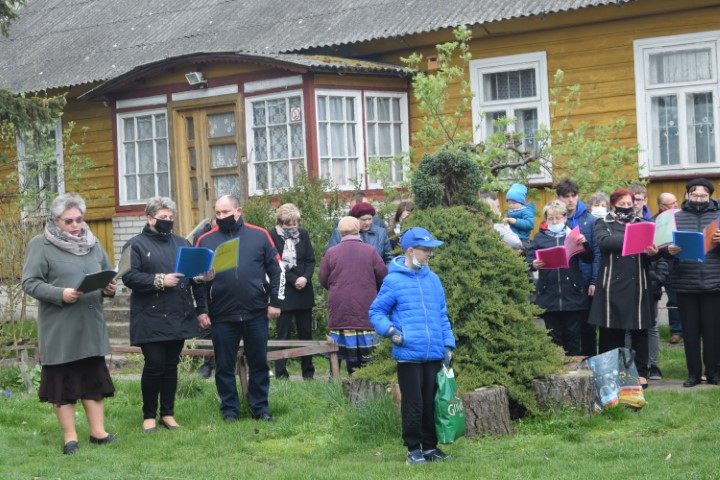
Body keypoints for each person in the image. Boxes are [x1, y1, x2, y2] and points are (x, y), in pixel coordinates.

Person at [21, 193, 118, 455]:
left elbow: (107, 274)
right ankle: (70, 437)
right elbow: (29, 282)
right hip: (60, 327)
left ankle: (99, 433)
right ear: (55, 221)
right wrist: (59, 294)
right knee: (62, 384)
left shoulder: (93, 243)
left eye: (79, 219)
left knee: (93, 380)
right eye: (69, 221)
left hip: (90, 324)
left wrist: (109, 288)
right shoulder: (41, 244)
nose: (76, 225)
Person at [121, 197, 211, 433]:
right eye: (163, 217)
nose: (168, 221)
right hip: (149, 315)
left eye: (171, 217)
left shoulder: (182, 243)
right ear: (150, 218)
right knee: (154, 364)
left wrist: (201, 282)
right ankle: (149, 415)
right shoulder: (135, 244)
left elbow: (192, 279)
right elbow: (129, 277)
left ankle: (168, 414)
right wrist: (160, 280)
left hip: (178, 312)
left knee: (171, 366)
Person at [369, 227, 456, 465]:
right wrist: (391, 331)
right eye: (425, 250)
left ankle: (430, 447)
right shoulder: (393, 280)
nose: (429, 254)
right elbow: (376, 312)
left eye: (430, 250)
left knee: (431, 403)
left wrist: (448, 344)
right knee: (413, 404)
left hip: (434, 353)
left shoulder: (433, 280)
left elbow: (442, 314)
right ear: (410, 250)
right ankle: (413, 450)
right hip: (408, 354)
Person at [194, 194, 284, 421]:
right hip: (221, 314)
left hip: (256, 311)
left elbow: (277, 270)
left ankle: (260, 408)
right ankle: (230, 411)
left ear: (238, 211)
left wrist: (275, 302)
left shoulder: (259, 235)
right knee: (224, 366)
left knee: (259, 363)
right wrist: (201, 310)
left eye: (225, 212)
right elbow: (195, 280)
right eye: (217, 213)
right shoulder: (204, 240)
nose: (221, 216)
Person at [588, 188, 658, 386]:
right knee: (612, 331)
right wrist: (633, 236)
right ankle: (612, 373)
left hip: (638, 284)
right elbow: (604, 242)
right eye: (622, 204)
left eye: (629, 204)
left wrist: (653, 252)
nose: (626, 207)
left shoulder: (642, 223)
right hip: (612, 285)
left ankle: (640, 372)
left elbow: (653, 252)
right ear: (613, 205)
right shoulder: (603, 223)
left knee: (639, 329)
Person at [667, 179, 720, 387]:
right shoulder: (676, 217)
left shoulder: (718, 216)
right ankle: (693, 374)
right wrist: (669, 250)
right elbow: (662, 249)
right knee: (690, 333)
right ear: (687, 195)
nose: (699, 199)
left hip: (713, 282)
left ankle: (713, 373)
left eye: (703, 196)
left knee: (713, 332)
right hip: (685, 282)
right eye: (695, 195)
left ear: (710, 196)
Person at [319, 217, 387, 374]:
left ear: (340, 232)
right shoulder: (370, 251)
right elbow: (383, 275)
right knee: (368, 356)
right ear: (358, 229)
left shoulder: (331, 252)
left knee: (338, 351)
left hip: (340, 307)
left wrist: (336, 288)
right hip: (365, 306)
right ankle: (367, 378)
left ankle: (334, 381)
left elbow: (322, 278)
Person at [527, 200, 594, 356]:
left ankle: (574, 367)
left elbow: (588, 259)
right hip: (549, 294)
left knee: (573, 336)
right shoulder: (539, 237)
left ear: (565, 217)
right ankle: (556, 367)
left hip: (572, 294)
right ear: (546, 219)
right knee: (553, 338)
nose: (555, 221)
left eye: (558, 218)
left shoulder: (573, 235)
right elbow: (529, 260)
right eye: (551, 219)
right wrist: (533, 264)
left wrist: (585, 244)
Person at [269, 203, 316, 380]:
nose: (293, 227)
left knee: (306, 334)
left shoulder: (303, 234)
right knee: (283, 334)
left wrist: (305, 278)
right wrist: (293, 279)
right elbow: (274, 264)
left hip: (304, 290)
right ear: (280, 222)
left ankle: (308, 373)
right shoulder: (272, 235)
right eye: (289, 224)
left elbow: (310, 260)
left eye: (295, 223)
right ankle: (281, 373)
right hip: (283, 290)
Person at [555, 179, 601, 357]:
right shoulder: (554, 220)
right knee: (568, 330)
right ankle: (569, 365)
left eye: (573, 196)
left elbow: (597, 253)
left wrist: (594, 281)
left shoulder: (590, 220)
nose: (570, 200)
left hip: (586, 280)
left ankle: (590, 364)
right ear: (559, 198)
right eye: (566, 196)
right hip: (566, 283)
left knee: (588, 328)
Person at [326, 201, 392, 264]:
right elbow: (329, 258)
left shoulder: (381, 233)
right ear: (355, 220)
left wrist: (384, 271)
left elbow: (389, 258)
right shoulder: (340, 232)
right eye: (363, 219)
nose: (367, 222)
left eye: (370, 219)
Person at [656, 192, 682, 345]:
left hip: (684, 264)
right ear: (662, 206)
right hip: (666, 265)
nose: (676, 205)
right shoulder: (657, 221)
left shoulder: (682, 217)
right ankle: (676, 331)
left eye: (676, 201)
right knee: (673, 300)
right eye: (672, 203)